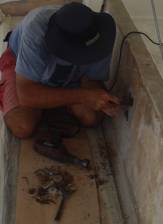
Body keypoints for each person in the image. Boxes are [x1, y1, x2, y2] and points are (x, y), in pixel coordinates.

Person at [0, 2, 120, 138]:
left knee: (92, 117)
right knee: (22, 126)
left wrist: (102, 100)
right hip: (19, 66)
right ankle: (43, 103)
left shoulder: (100, 35)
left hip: (67, 76)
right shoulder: (35, 29)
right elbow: (26, 94)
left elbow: (92, 81)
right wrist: (84, 96)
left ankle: (47, 102)